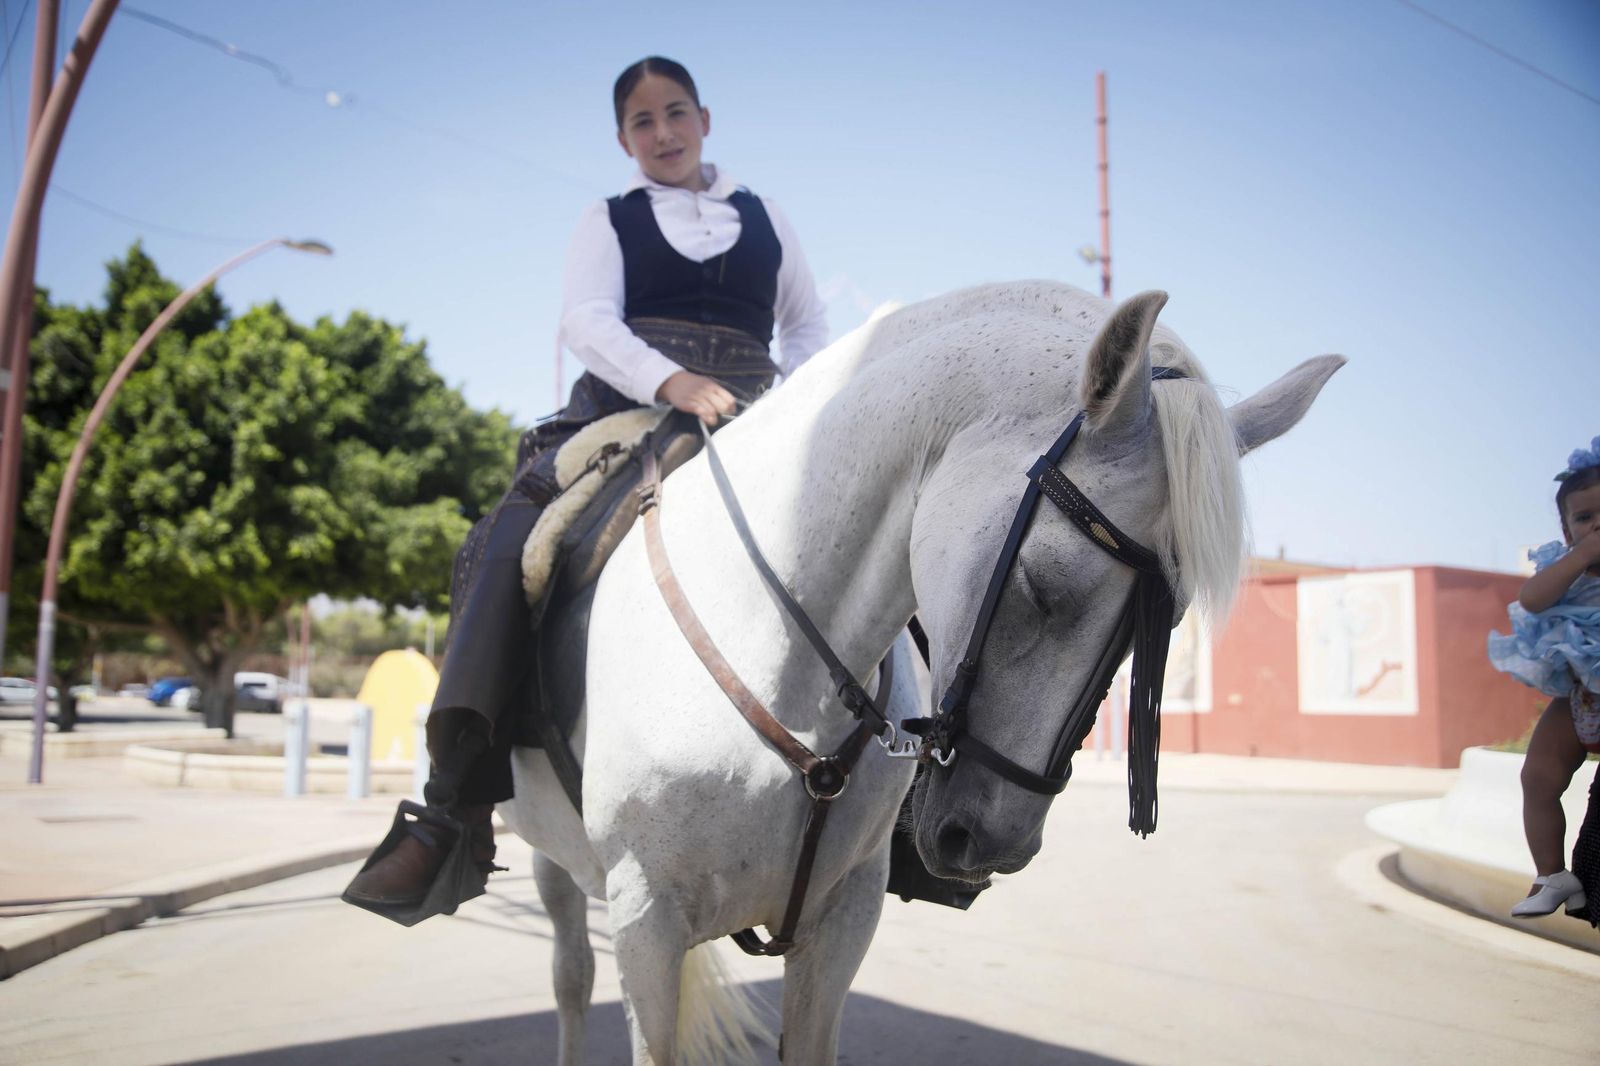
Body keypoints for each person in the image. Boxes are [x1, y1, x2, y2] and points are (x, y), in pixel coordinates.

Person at [344, 56, 829, 923]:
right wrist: (672, 382)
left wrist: (794, 402)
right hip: (628, 417)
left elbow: (807, 324)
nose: (664, 133)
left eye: (676, 113)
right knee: (514, 544)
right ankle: (453, 803)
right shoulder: (607, 219)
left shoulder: (769, 218)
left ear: (706, 119)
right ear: (623, 140)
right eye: (643, 123)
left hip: (756, 416)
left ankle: (913, 792)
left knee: (868, 519)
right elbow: (587, 322)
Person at [1488, 435, 1600, 919]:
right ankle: (1553, 875)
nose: (1598, 527)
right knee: (1537, 777)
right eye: (1584, 518)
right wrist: (1577, 558)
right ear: (1566, 528)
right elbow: (1533, 599)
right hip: (1580, 699)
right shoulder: (1568, 571)